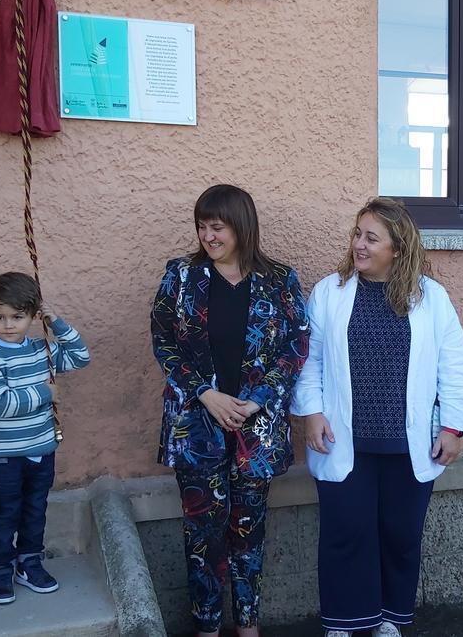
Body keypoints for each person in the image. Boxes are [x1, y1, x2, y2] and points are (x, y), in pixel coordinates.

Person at [293, 197, 463, 637]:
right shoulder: (329, 292)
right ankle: (344, 622)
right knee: (345, 532)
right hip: (344, 439)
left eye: (371, 238)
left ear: (398, 248)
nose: (359, 244)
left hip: (409, 441)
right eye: (357, 234)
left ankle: (391, 619)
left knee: (400, 534)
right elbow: (308, 360)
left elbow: (454, 365)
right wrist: (312, 413)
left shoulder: (431, 298)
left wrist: (453, 428)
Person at [150, 184, 309, 636]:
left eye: (216, 227)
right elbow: (163, 342)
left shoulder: (280, 280)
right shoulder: (180, 277)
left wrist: (259, 398)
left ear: (241, 226)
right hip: (198, 427)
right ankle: (206, 625)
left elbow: (297, 344)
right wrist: (205, 393)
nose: (207, 236)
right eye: (201, 226)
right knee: (201, 535)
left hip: (255, 429)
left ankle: (248, 625)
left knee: (248, 531)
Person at [0, 272, 90, 605]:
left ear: (33, 316)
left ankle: (30, 562)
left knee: (36, 509)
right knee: (6, 512)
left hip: (40, 451)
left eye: (18, 317)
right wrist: (44, 392)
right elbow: (0, 403)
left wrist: (58, 322)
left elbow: (80, 356)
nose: (8, 325)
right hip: (5, 457)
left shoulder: (42, 351)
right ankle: (1, 568)